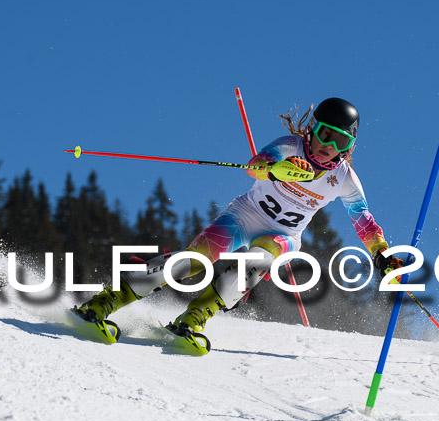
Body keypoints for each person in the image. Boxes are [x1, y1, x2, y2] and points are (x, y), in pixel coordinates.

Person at [74, 97, 404, 341]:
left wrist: (382, 253)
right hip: (245, 214)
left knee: (255, 263)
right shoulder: (290, 147)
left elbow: (363, 220)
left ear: (349, 147)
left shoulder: (344, 178)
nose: (328, 146)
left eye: (340, 141)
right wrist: (274, 169)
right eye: (324, 134)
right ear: (311, 129)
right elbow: (257, 164)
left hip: (284, 234)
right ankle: (104, 302)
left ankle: (193, 319)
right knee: (194, 261)